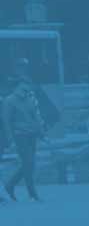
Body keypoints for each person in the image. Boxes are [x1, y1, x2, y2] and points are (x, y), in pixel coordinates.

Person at [3, 70, 45, 202]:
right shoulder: (9, 101)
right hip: (19, 136)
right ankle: (32, 193)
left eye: (28, 85)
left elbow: (36, 118)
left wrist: (41, 133)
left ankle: (10, 185)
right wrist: (10, 140)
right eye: (24, 85)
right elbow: (6, 122)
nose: (26, 88)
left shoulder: (30, 99)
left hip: (31, 135)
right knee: (28, 163)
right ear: (17, 86)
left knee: (29, 164)